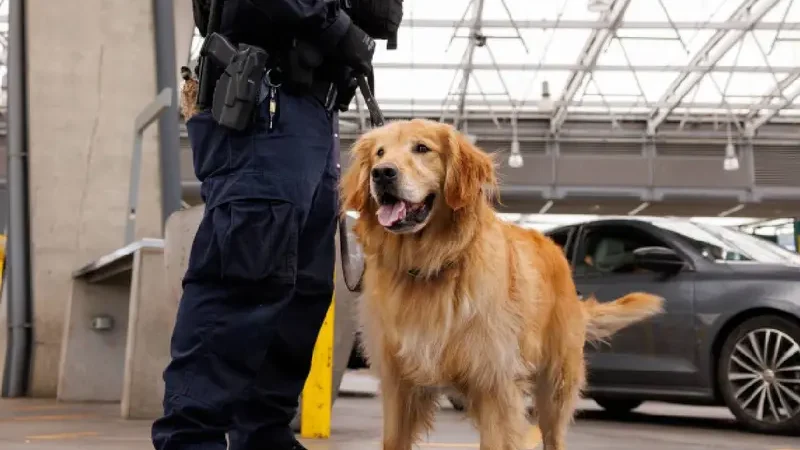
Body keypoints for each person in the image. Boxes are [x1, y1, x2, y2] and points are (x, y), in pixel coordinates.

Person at [151, 1, 380, 449]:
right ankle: (191, 439)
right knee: (242, 279)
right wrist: (340, 28)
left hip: (314, 111)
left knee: (304, 288)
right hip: (265, 103)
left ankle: (263, 433)